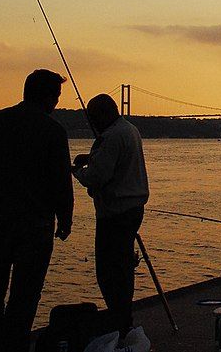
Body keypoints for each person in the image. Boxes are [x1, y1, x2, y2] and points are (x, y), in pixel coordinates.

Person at [0, 69, 73, 352]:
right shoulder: (53, 132)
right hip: (34, 231)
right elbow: (61, 183)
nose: (57, 104)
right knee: (23, 301)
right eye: (57, 97)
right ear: (47, 97)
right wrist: (65, 220)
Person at [72, 94, 149, 336]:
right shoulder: (129, 129)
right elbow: (114, 161)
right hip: (133, 210)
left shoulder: (112, 136)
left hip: (115, 214)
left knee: (108, 273)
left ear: (104, 114)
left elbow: (97, 177)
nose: (93, 124)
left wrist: (76, 171)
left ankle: (120, 320)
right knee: (123, 268)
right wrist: (93, 156)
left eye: (94, 118)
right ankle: (123, 317)